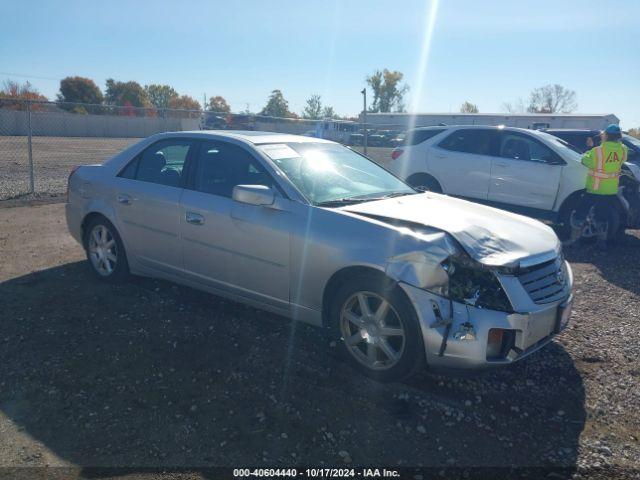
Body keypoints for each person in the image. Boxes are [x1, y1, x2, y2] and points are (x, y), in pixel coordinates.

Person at [567, 124, 628, 246]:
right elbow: (617, 160)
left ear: (605, 135)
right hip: (610, 190)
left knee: (580, 213)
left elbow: (585, 160)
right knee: (602, 216)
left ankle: (574, 241)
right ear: (619, 136)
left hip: (595, 189)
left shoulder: (597, 151)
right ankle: (602, 243)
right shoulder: (623, 150)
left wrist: (590, 148)